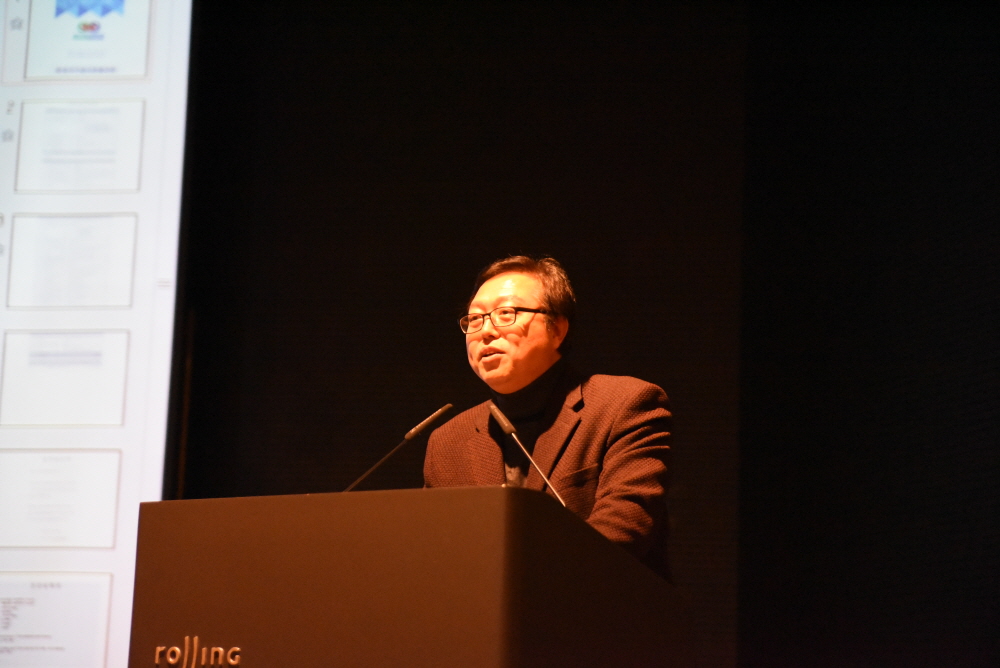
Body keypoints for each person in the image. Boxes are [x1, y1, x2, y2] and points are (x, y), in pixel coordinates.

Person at [423, 255, 672, 578]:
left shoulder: (623, 404)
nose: (485, 331)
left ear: (558, 329)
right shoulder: (447, 441)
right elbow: (433, 553)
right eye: (474, 319)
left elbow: (624, 529)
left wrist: (514, 581)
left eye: (505, 314)